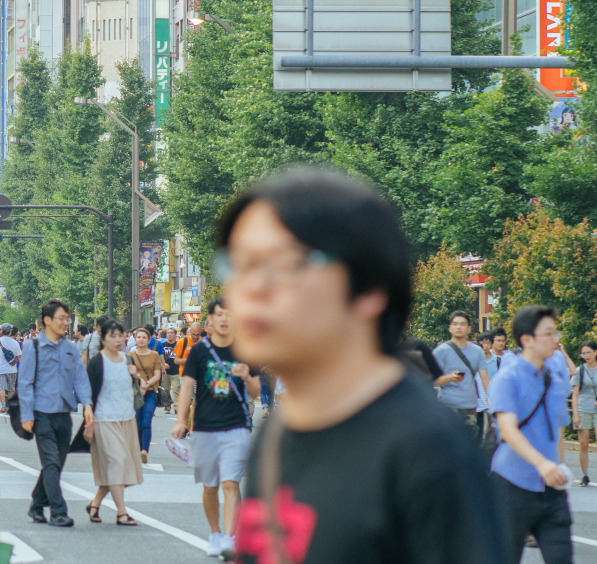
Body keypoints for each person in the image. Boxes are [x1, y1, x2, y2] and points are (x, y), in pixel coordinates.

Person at [214, 167, 505, 564]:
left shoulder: (426, 449)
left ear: (368, 288)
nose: (252, 288)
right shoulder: (279, 433)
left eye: (284, 263)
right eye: (239, 264)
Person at [491, 306, 576, 562]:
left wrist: (557, 467)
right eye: (548, 333)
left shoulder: (555, 378)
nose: (556, 339)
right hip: (511, 486)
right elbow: (508, 430)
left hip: (550, 490)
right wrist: (542, 464)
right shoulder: (507, 378)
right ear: (527, 340)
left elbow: (557, 432)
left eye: (555, 332)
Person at [174, 299, 256, 557]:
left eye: (229, 315)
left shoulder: (245, 350)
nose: (224, 319)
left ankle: (231, 538)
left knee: (231, 483)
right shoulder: (199, 351)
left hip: (236, 425)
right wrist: (180, 421)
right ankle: (215, 533)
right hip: (205, 426)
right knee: (210, 486)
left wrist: (245, 376)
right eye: (219, 315)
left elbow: (255, 390)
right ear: (210, 320)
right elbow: (187, 387)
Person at [17, 298, 91, 528]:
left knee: (56, 463)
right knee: (50, 462)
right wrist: (26, 414)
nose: (65, 323)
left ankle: (37, 505)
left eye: (67, 319)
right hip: (41, 414)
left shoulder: (70, 347)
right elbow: (25, 382)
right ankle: (58, 512)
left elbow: (80, 377)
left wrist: (88, 405)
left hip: (64, 414)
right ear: (47, 320)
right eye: (61, 318)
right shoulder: (33, 347)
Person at [84, 321, 143, 526]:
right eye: (113, 336)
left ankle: (95, 503)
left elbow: (138, 390)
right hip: (104, 419)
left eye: (121, 336)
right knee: (117, 462)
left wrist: (136, 377)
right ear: (103, 339)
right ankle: (121, 512)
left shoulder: (128, 359)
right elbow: (88, 396)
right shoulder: (96, 363)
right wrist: (89, 424)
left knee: (122, 467)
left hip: (127, 418)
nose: (118, 340)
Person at [433, 311, 488, 434]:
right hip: (447, 406)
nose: (459, 327)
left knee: (469, 445)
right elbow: (433, 379)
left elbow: (485, 378)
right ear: (450, 328)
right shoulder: (441, 351)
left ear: (469, 329)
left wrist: (493, 397)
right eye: (455, 324)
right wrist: (450, 378)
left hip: (469, 405)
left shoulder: (477, 351)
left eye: (463, 324)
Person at [571, 341, 597, 486]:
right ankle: (585, 475)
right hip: (583, 409)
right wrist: (575, 414)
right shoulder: (579, 370)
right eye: (583, 353)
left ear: (596, 352)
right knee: (584, 444)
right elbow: (575, 395)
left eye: (588, 352)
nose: (586, 356)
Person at [128, 328, 164, 458]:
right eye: (139, 337)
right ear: (135, 339)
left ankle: (144, 450)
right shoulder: (130, 355)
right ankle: (137, 449)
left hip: (150, 393)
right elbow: (128, 372)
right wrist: (140, 381)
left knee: (146, 421)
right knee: (137, 422)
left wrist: (146, 384)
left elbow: (157, 375)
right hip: (135, 392)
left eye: (144, 338)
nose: (141, 340)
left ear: (149, 340)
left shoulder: (154, 355)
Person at [0, 324, 21, 406]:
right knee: (11, 388)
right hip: (12, 369)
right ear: (10, 331)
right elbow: (19, 356)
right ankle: (10, 406)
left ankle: (3, 406)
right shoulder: (15, 342)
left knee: (1, 388)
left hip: (0, 369)